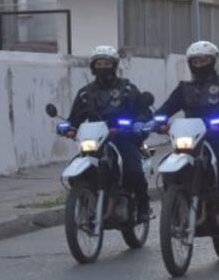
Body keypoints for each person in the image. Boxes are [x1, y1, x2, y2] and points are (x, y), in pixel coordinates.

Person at [153, 41, 219, 229]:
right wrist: (157, 121)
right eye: (196, 61)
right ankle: (174, 210)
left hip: (217, 138)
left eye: (204, 60)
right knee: (167, 169)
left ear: (212, 61)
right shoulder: (184, 88)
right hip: (190, 139)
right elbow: (166, 108)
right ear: (191, 64)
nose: (199, 64)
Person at [64, 45, 153, 221]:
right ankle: (85, 204)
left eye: (106, 63)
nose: (102, 67)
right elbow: (74, 117)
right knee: (78, 172)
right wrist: (68, 127)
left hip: (122, 138)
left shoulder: (127, 89)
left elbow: (143, 112)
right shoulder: (85, 93)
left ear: (114, 65)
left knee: (133, 170)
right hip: (94, 141)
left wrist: (138, 122)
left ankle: (143, 206)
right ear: (92, 66)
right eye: (99, 63)